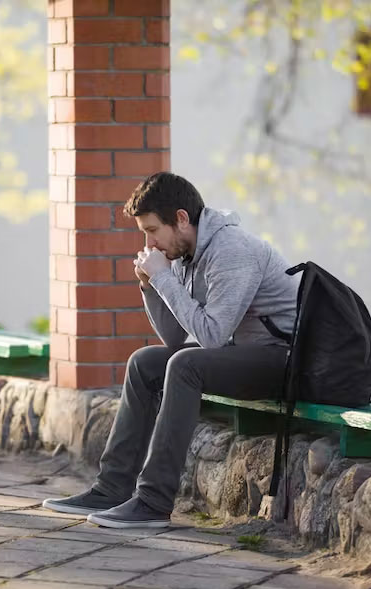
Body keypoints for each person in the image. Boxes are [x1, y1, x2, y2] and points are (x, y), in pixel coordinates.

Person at [42, 172, 299, 529]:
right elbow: (175, 338)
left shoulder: (232, 250)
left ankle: (152, 501)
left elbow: (210, 337)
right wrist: (151, 287)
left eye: (151, 230)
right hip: (244, 353)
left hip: (283, 359)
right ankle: (112, 488)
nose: (149, 242)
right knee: (146, 361)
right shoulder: (184, 254)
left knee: (185, 366)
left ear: (181, 219)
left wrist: (164, 279)